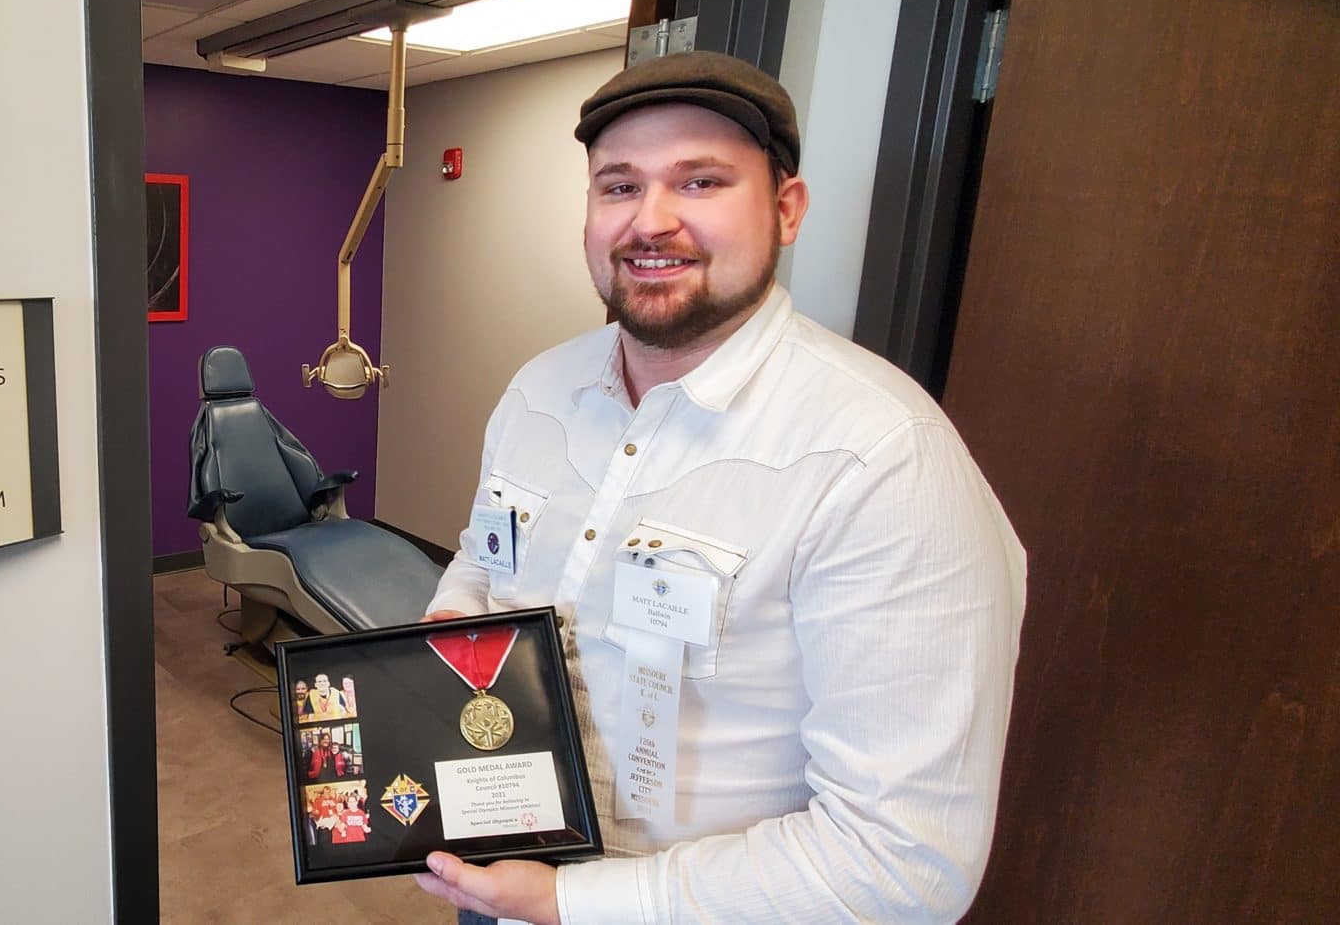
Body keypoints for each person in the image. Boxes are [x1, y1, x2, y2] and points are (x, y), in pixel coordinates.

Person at [411, 52, 1026, 925]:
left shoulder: (882, 459)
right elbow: (483, 561)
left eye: (700, 181)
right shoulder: (536, 395)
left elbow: (902, 863)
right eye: (618, 187)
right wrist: (448, 637)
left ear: (786, 209)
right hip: (499, 886)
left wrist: (570, 901)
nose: (651, 221)